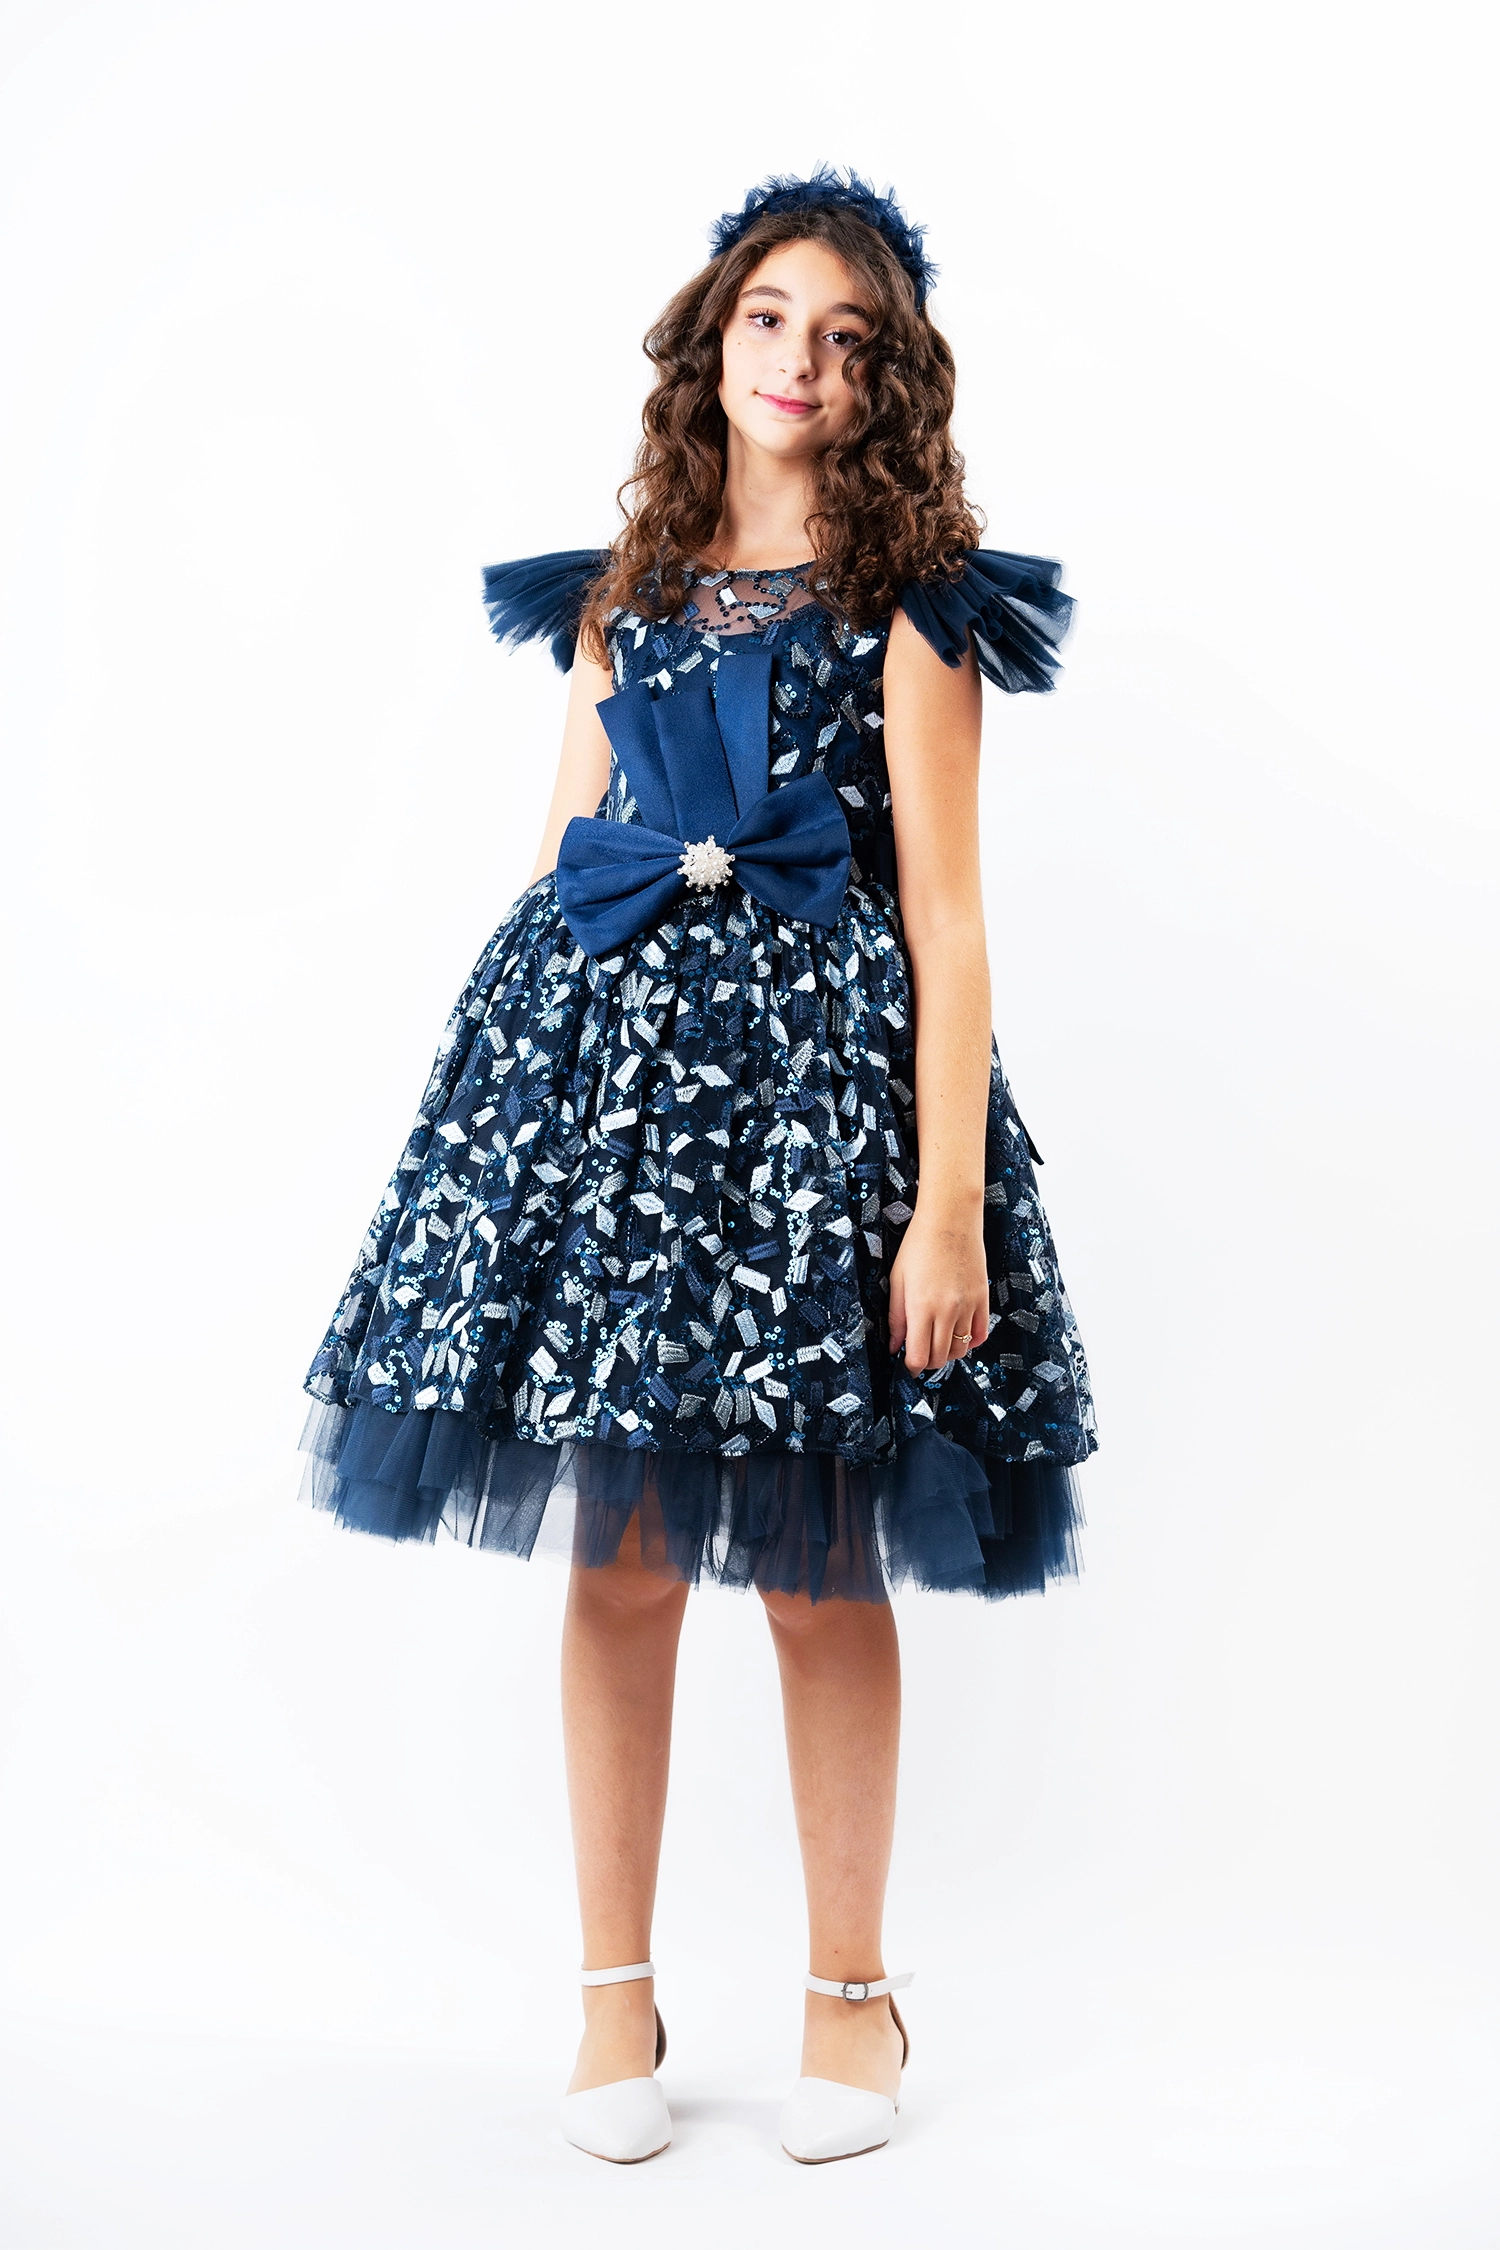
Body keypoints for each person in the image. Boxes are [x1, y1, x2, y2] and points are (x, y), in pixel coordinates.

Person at [300, 168, 1095, 2167]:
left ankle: (852, 1998)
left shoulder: (915, 610)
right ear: (712, 336)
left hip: (813, 1143)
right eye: (769, 319)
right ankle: (611, 1995)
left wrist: (941, 1204)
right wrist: (507, 1147)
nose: (800, 359)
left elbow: (951, 921)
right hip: (622, 1131)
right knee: (623, 1558)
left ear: (888, 376)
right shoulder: (628, 593)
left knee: (819, 1574)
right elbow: (568, 857)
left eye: (846, 335)